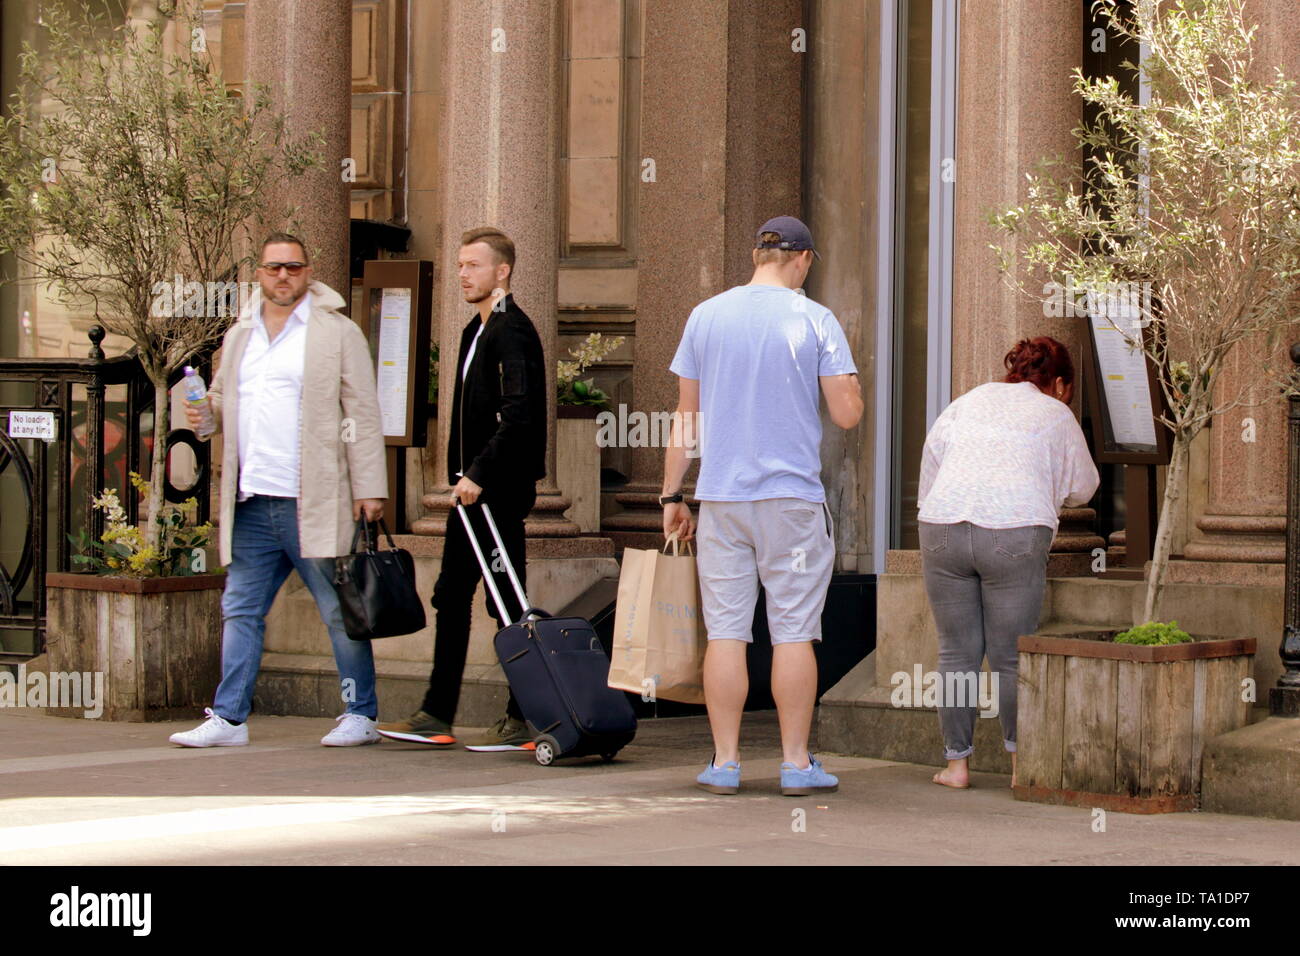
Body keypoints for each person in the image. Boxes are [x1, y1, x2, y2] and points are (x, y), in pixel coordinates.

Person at [661, 215, 863, 796]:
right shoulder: (813, 318)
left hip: (721, 499)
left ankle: (724, 762)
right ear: (802, 259)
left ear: (757, 257)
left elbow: (685, 419)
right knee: (794, 632)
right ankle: (796, 764)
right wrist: (854, 386)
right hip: (790, 503)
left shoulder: (706, 315)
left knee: (726, 632)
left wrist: (673, 493)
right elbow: (847, 414)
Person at [170, 233, 389, 748]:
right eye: (273, 268)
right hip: (251, 499)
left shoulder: (337, 332)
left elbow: (362, 413)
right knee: (240, 608)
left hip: (312, 498)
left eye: (293, 267)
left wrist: (370, 487)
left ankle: (361, 712)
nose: (283, 276)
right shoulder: (240, 335)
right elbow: (222, 403)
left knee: (339, 611)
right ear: (259, 275)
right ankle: (229, 718)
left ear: (308, 271)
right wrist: (206, 416)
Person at [378, 227, 546, 752]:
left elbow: (519, 416)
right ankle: (436, 711)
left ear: (503, 272)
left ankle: (528, 716)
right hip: (470, 493)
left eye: (473, 265)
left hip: (493, 493)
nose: (462, 274)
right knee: (452, 595)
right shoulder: (475, 332)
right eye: (459, 265)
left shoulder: (512, 330)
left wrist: (478, 473)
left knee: (507, 601)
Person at [918, 336, 1100, 789]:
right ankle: (1021, 769)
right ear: (1059, 383)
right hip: (1014, 530)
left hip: (941, 527)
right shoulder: (1056, 413)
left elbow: (931, 468)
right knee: (1010, 657)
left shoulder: (967, 401)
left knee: (955, 653)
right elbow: (1085, 487)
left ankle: (957, 766)